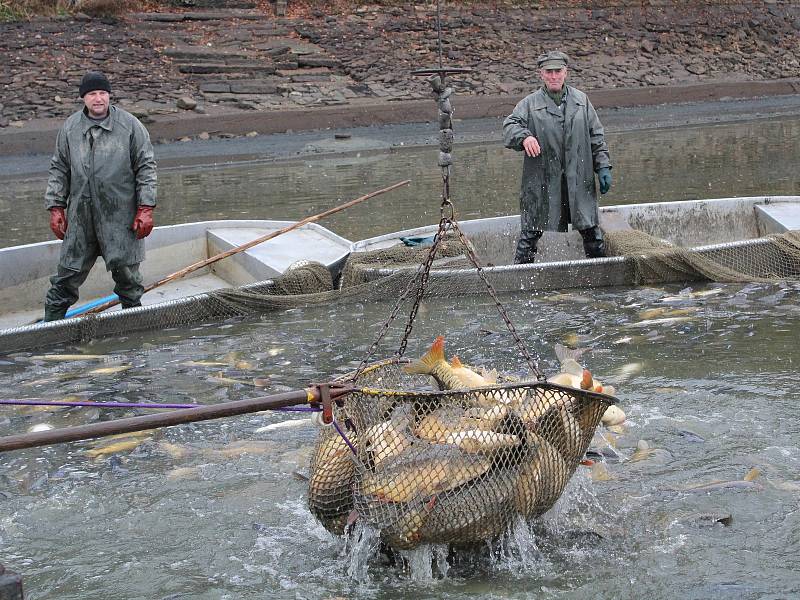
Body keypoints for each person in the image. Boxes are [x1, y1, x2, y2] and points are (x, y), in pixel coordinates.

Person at [43, 71, 157, 321]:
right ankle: (49, 327)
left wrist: (146, 207)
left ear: (109, 96)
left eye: (103, 93)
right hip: (80, 217)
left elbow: (146, 167)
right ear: (83, 98)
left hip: (121, 216)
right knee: (65, 277)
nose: (98, 98)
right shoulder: (70, 127)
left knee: (128, 278)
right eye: (92, 94)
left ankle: (134, 325)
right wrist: (56, 207)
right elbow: (59, 167)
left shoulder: (130, 125)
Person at [502, 50, 612, 263]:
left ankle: (601, 276)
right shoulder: (530, 104)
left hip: (579, 179)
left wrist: (604, 167)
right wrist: (524, 137)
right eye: (549, 72)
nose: (554, 76)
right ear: (541, 74)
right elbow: (509, 126)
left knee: (592, 233)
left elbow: (596, 136)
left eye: (558, 71)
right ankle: (520, 277)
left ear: (566, 73)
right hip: (542, 179)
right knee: (530, 234)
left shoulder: (582, 100)